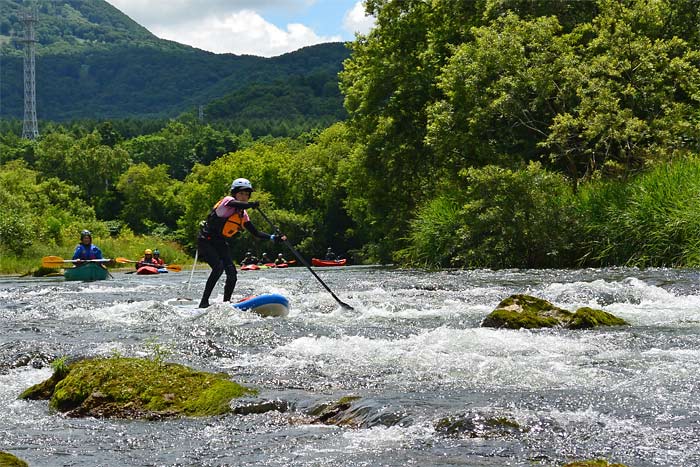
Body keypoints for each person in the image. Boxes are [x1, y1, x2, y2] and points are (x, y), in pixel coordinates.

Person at [197, 178, 286, 308]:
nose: (244, 197)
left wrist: (273, 237)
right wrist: (251, 204)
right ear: (235, 193)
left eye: (246, 194)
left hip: (220, 242)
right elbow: (237, 204)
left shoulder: (243, 215)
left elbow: (256, 233)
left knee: (232, 272)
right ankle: (204, 302)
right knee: (218, 267)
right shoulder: (227, 201)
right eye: (241, 194)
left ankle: (226, 303)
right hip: (206, 240)